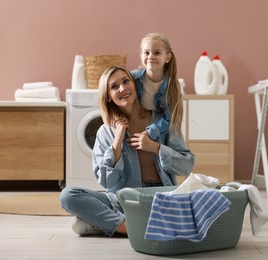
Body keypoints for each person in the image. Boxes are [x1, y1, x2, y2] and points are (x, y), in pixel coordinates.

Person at [60, 66, 195, 237]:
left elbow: (187, 165)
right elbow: (107, 182)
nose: (122, 89)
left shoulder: (162, 123)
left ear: (135, 85)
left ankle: (107, 223)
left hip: (160, 197)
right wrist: (117, 142)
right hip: (122, 200)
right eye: (114, 86)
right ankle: (126, 227)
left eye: (126, 81)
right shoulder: (106, 132)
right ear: (108, 95)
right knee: (68, 195)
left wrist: (155, 147)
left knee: (199, 199)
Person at [131, 32, 183, 140]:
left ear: (167, 58)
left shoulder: (172, 85)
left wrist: (149, 133)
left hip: (161, 127)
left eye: (157, 53)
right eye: (147, 53)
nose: (151, 57)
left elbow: (170, 118)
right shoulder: (133, 78)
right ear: (141, 56)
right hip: (138, 121)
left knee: (179, 149)